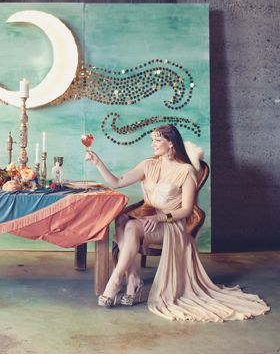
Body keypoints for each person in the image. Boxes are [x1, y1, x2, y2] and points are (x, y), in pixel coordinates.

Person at [86, 124, 269, 321]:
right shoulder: (148, 164)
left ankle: (115, 281)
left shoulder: (186, 171)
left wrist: (160, 218)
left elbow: (186, 210)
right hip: (150, 218)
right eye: (152, 140)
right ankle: (132, 280)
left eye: (157, 141)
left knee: (130, 226)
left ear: (171, 143)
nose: (153, 145)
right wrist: (98, 162)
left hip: (172, 225)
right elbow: (117, 181)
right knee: (124, 222)